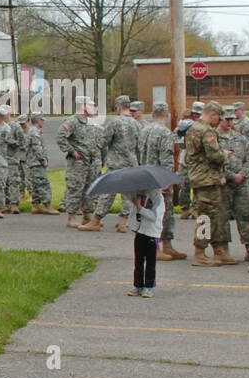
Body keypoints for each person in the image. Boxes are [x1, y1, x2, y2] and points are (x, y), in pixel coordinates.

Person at [81, 95, 140, 232]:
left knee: (107, 192)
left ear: (119, 107)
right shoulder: (137, 124)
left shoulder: (115, 122)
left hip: (116, 164)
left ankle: (96, 220)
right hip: (131, 164)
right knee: (128, 195)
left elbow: (102, 141)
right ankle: (123, 223)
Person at [187, 101, 235, 267]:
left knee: (216, 215)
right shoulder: (206, 131)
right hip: (207, 179)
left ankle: (219, 251)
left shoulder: (193, 128)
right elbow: (215, 156)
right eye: (218, 117)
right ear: (213, 114)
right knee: (206, 217)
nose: (219, 121)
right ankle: (200, 253)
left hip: (203, 178)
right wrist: (225, 154)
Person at [139, 103, 186, 262]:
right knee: (161, 214)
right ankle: (156, 248)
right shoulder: (165, 133)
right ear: (167, 115)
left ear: (152, 114)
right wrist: (166, 180)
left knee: (156, 212)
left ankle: (167, 245)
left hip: (145, 176)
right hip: (158, 178)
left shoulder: (144, 130)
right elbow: (166, 157)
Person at [57, 95, 100, 228]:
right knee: (75, 188)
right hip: (78, 163)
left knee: (89, 188)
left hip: (90, 162)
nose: (94, 107)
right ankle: (71, 217)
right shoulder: (72, 121)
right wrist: (72, 151)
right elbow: (60, 137)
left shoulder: (90, 122)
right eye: (91, 105)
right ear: (83, 106)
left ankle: (87, 215)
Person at [217, 108, 249, 261]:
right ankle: (223, 250)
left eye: (232, 119)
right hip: (224, 182)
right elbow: (215, 162)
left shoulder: (240, 138)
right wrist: (231, 176)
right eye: (227, 119)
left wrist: (242, 175)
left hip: (241, 183)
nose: (230, 122)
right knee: (222, 216)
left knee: (245, 214)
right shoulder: (214, 138)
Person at [126, 189, 164, 298]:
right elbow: (134, 214)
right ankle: (137, 285)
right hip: (140, 231)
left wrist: (140, 207)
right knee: (138, 260)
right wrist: (135, 204)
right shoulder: (139, 194)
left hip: (152, 233)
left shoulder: (157, 197)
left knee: (150, 262)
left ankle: (149, 286)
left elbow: (153, 217)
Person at [25, 115, 58, 214]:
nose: (43, 122)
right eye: (42, 120)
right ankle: (48, 206)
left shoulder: (31, 130)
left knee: (36, 184)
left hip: (32, 161)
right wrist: (43, 160)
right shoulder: (35, 131)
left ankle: (36, 206)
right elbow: (37, 148)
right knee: (43, 183)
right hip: (36, 162)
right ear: (38, 121)